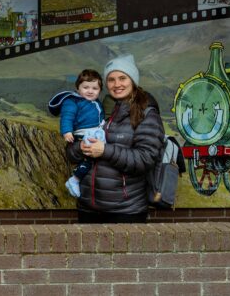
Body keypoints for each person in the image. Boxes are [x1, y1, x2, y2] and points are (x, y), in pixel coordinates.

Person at [65, 54, 164, 223]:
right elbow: (70, 154)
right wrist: (80, 147)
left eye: (122, 78)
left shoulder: (147, 113)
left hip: (126, 211)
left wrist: (105, 150)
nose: (117, 84)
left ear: (133, 80)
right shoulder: (96, 109)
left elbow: (145, 159)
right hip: (87, 208)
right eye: (111, 80)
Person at [47, 69, 105, 197]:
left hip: (95, 133)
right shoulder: (72, 101)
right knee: (90, 158)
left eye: (95, 88)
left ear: (100, 90)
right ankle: (75, 180)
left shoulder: (96, 102)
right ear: (78, 88)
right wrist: (67, 131)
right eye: (86, 87)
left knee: (98, 156)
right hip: (83, 134)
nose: (90, 91)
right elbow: (67, 116)